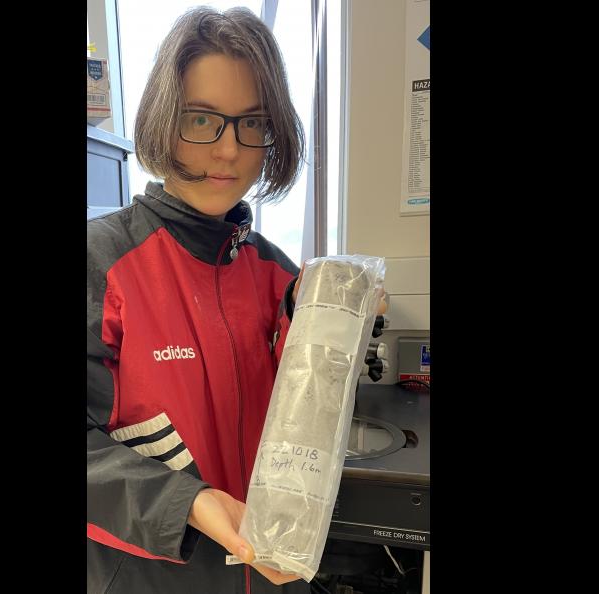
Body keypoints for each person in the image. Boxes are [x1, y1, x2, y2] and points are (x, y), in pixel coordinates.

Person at [87, 6, 383, 593]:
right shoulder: (102, 263)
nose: (229, 151)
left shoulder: (280, 276)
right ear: (162, 119)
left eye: (253, 123)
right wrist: (189, 504)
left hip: (274, 572)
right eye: (202, 119)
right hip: (151, 575)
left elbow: (306, 426)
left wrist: (336, 330)